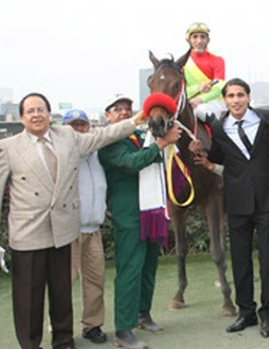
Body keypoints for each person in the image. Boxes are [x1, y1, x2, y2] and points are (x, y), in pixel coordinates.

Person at [0, 92, 142, 349]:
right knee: (29, 297)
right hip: (27, 233)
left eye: (41, 110)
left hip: (64, 229)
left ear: (50, 114)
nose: (37, 115)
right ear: (22, 118)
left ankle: (63, 341)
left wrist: (137, 120)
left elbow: (102, 136)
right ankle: (30, 344)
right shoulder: (9, 147)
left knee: (62, 294)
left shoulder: (68, 137)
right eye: (31, 111)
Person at [191, 78, 269, 338]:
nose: (236, 100)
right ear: (225, 99)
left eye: (240, 95)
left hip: (267, 202)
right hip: (237, 202)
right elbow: (218, 155)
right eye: (231, 95)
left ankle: (268, 313)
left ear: (249, 97)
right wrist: (200, 150)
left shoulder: (268, 119)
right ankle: (246, 312)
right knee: (240, 262)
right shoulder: (218, 126)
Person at [98, 93, 181, 349]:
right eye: (117, 108)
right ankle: (123, 330)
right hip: (130, 215)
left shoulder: (142, 135)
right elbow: (132, 163)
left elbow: (159, 165)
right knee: (130, 271)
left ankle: (143, 314)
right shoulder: (109, 141)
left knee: (148, 267)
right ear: (107, 115)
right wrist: (161, 143)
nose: (124, 111)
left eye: (128, 107)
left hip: (152, 211)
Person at [62, 109, 108, 344]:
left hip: (94, 228)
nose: (79, 129)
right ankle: (61, 331)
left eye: (82, 125)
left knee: (95, 282)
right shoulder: (62, 153)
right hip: (69, 230)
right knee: (64, 284)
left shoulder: (96, 151)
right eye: (73, 126)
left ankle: (92, 325)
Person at [183, 22, 226, 120]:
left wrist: (201, 99)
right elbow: (181, 89)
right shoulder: (183, 62)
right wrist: (198, 88)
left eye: (202, 37)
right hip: (188, 102)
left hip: (213, 102)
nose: (199, 41)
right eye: (195, 37)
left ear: (208, 40)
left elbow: (220, 87)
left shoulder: (217, 59)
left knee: (200, 111)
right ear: (188, 40)